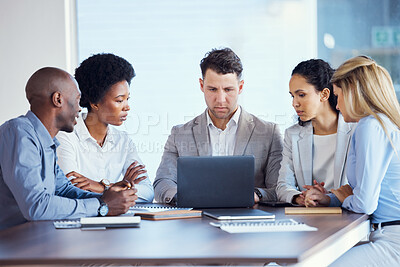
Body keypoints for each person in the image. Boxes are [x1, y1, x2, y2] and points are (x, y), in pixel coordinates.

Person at [0, 67, 138, 230]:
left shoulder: (47, 142)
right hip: (13, 246)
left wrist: (110, 197)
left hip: (36, 239)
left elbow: (63, 190)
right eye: (78, 99)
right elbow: (37, 207)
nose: (80, 108)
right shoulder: (19, 132)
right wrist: (103, 205)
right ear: (58, 99)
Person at [153, 47, 283, 204]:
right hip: (196, 221)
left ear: (240, 87)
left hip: (247, 220)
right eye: (212, 89)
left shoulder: (269, 133)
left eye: (228, 89)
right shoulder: (179, 134)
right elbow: (162, 182)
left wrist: (256, 195)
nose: (221, 99)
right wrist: (184, 197)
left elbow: (279, 189)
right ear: (202, 85)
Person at [304, 56, 400, 266]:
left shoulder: (370, 126)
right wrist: (331, 198)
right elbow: (362, 191)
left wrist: (347, 197)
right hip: (385, 234)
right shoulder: (378, 123)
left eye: (338, 96)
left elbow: (364, 202)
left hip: (393, 242)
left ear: (353, 92)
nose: (337, 105)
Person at [56, 53, 154, 203]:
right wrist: (120, 189)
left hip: (116, 220)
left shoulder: (123, 141)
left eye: (127, 99)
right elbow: (70, 190)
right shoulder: (66, 136)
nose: (127, 107)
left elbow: (147, 193)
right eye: (119, 100)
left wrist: (103, 187)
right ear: (95, 103)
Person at [276, 59, 356, 205]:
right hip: (309, 215)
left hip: (348, 215)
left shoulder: (355, 130)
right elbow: (283, 185)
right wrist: (301, 197)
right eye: (292, 96)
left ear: (324, 94)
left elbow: (360, 188)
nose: (294, 103)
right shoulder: (292, 135)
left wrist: (328, 197)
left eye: (301, 95)